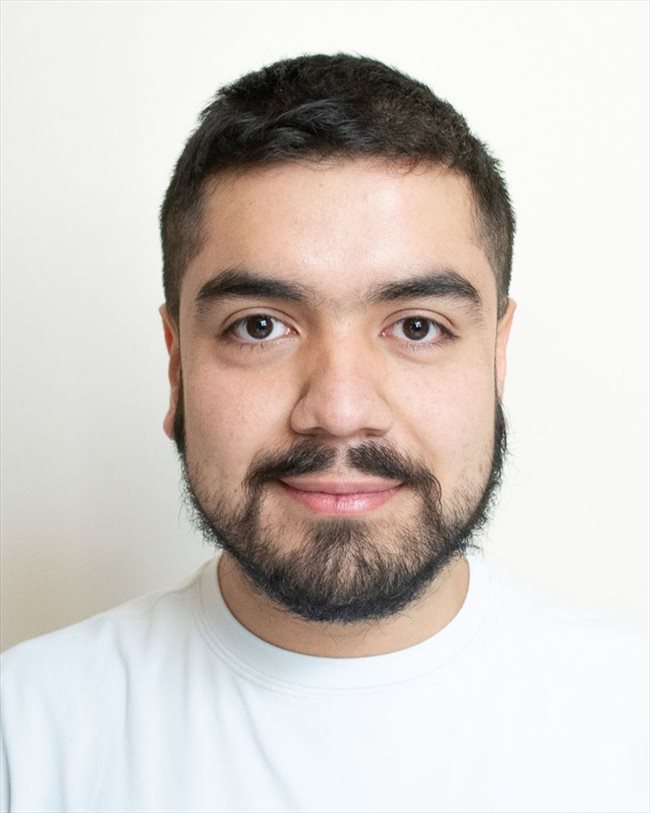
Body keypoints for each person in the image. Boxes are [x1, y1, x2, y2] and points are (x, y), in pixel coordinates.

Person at [1, 54, 647, 813]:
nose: (339, 410)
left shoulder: (629, 722)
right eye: (260, 326)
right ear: (176, 366)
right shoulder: (27, 734)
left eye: (417, 326)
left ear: (497, 360)